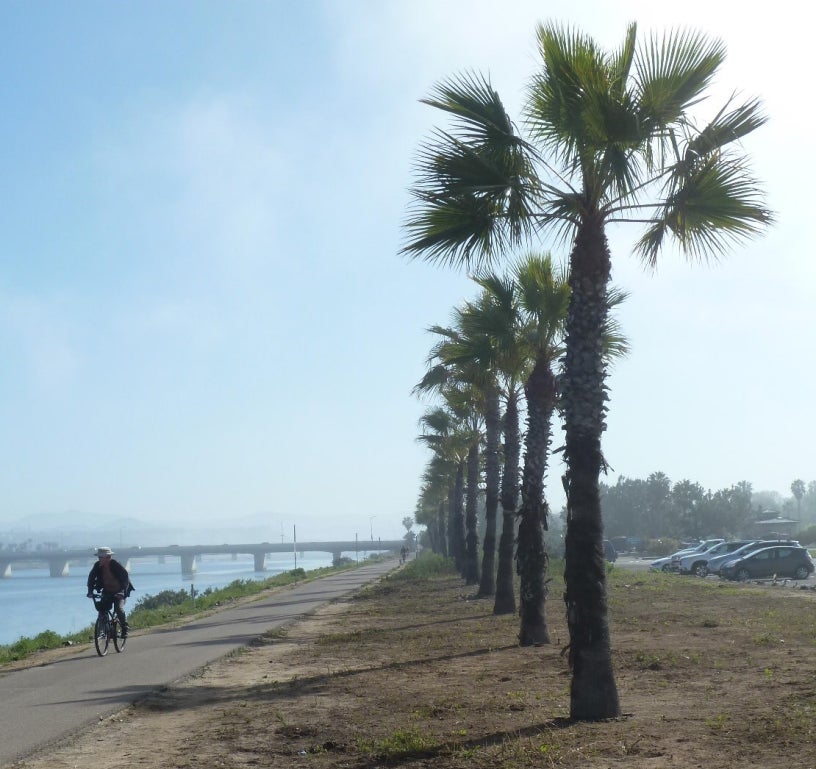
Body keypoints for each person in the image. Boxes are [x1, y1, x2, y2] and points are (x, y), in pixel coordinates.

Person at [86, 546, 134, 636]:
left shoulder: (115, 565)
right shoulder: (97, 566)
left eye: (101, 557)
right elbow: (91, 578)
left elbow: (125, 579)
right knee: (102, 610)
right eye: (98, 557)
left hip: (119, 592)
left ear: (108, 557)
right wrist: (90, 591)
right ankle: (102, 631)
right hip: (107, 592)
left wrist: (123, 592)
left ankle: (124, 627)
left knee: (118, 609)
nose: (99, 559)